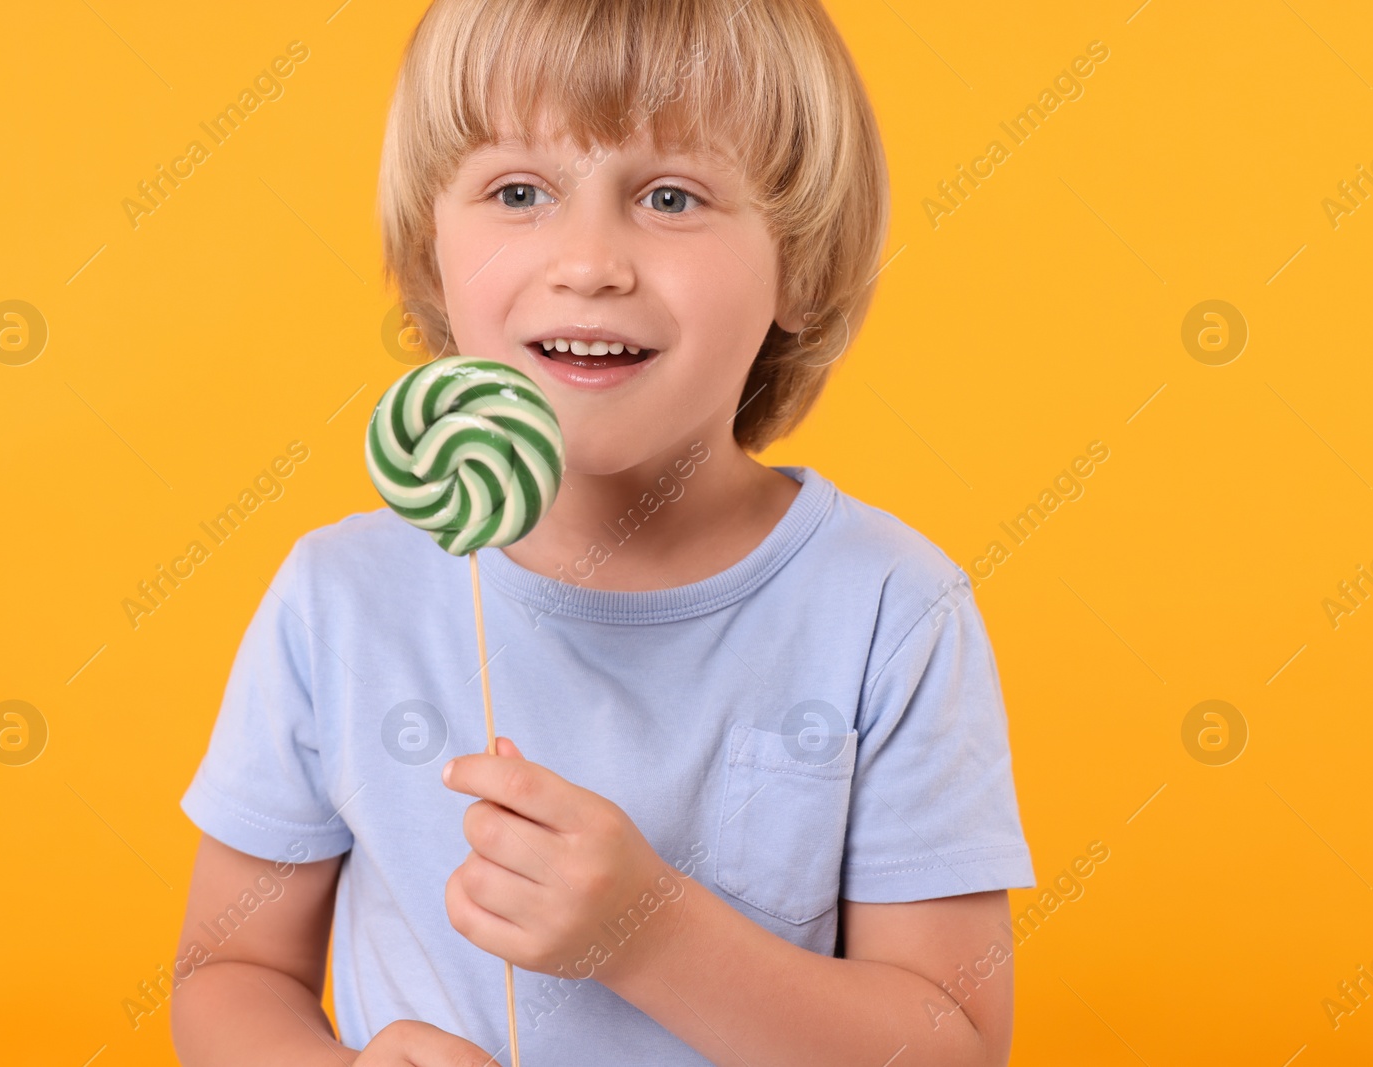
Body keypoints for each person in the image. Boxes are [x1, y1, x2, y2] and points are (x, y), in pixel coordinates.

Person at [171, 0, 1036, 1063]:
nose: (588, 261)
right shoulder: (341, 599)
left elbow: (955, 1043)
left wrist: (649, 933)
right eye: (518, 190)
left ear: (801, 268)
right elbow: (230, 970)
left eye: (671, 195)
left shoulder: (888, 611)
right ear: (432, 252)